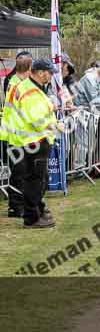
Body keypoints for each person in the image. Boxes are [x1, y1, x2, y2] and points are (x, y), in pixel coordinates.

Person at [1, 59, 62, 228]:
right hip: (33, 140)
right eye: (50, 73)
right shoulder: (29, 90)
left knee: (37, 179)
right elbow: (37, 120)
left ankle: (38, 210)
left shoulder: (30, 87)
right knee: (35, 180)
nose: (51, 76)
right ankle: (32, 217)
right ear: (41, 72)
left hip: (30, 139)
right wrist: (57, 125)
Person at [2, 52, 33, 217]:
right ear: (28, 67)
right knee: (18, 172)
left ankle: (20, 204)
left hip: (21, 133)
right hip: (17, 134)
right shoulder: (16, 84)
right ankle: (15, 207)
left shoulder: (19, 82)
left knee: (23, 171)